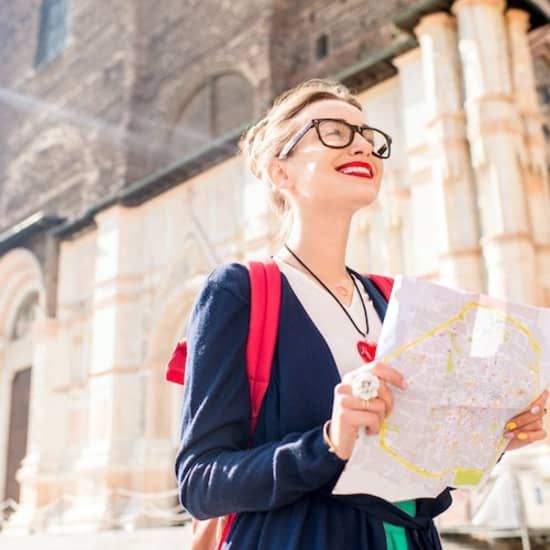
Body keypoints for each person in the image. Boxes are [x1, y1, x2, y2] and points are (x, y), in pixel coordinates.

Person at [175, 79, 549, 549]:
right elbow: (200, 483)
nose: (362, 146)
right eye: (334, 131)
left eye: (368, 136)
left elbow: (420, 470)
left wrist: (491, 438)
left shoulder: (392, 301)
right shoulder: (240, 290)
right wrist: (330, 442)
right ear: (279, 172)